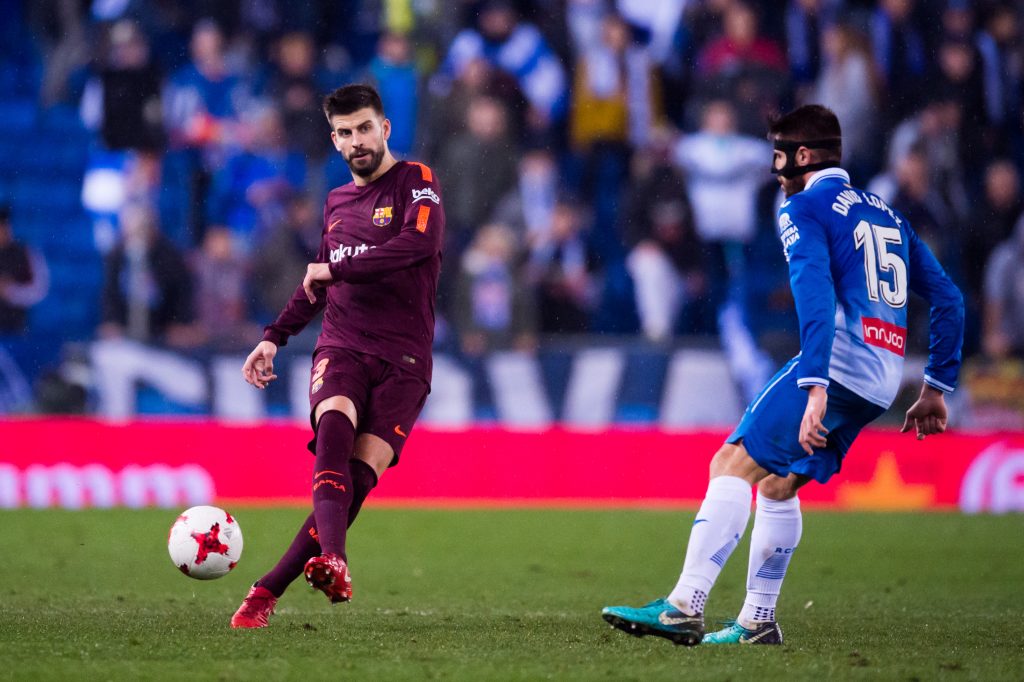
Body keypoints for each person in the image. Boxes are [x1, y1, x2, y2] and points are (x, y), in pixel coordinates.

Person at [601, 105, 964, 646]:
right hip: (880, 378)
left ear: (802, 156)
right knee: (778, 482)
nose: (773, 168)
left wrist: (814, 384)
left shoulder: (804, 208)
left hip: (837, 365)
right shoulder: (887, 213)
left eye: (778, 155)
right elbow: (950, 300)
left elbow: (815, 300)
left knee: (731, 460)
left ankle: (684, 606)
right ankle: (757, 621)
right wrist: (935, 387)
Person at [230, 84, 445, 628]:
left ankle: (266, 591)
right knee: (332, 433)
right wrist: (273, 337)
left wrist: (339, 269)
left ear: (385, 127)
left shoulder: (417, 182)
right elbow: (316, 282)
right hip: (343, 345)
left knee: (355, 481)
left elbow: (415, 248)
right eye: (345, 133)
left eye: (365, 128)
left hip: (405, 361)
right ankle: (336, 562)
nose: (357, 141)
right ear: (334, 140)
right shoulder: (335, 203)